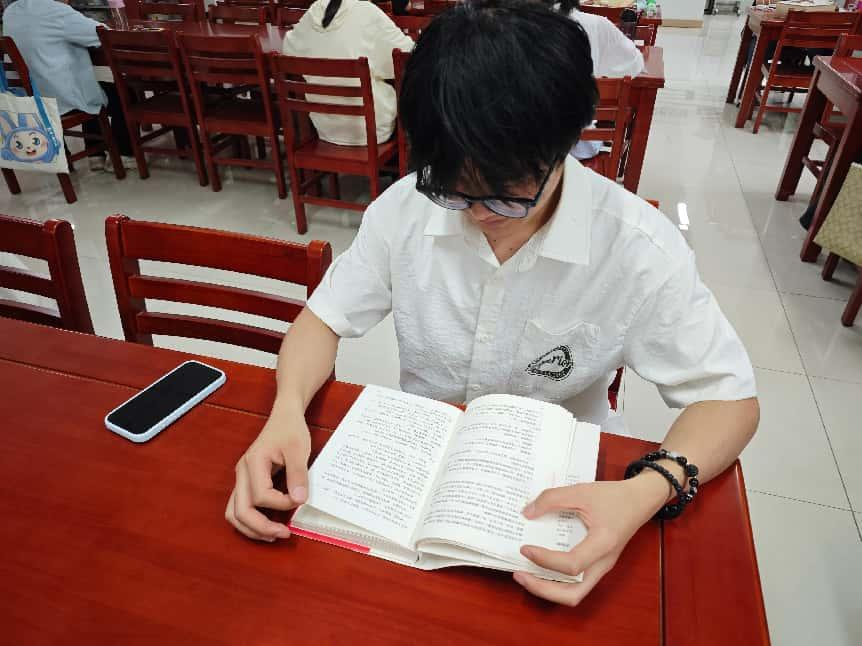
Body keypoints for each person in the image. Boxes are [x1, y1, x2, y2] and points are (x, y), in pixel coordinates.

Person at [228, 0, 759, 607]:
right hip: (415, 470)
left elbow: (729, 401)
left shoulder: (637, 248)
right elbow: (322, 320)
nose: (479, 214)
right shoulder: (406, 209)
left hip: (551, 489)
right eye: (455, 191)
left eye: (506, 195)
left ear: (566, 147)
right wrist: (286, 411)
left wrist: (646, 490)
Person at [2, 0, 134, 171]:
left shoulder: (11, 12)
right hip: (60, 96)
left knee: (91, 85)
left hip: (32, 98)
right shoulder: (55, 11)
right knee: (124, 93)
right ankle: (123, 155)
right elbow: (102, 34)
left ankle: (96, 155)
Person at [282, 0, 414, 146]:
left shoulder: (313, 12)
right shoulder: (367, 12)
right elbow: (407, 57)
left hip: (325, 128)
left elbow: (288, 48)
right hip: (373, 131)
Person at [548, 0, 644, 160]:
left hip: (519, 152)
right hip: (579, 145)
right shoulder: (595, 24)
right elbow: (634, 64)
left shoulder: (513, 26)